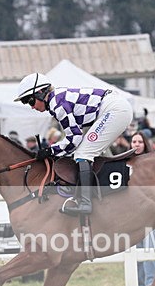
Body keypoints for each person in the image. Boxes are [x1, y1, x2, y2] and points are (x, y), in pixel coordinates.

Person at [14, 72, 133, 215]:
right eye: (26, 103)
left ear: (40, 92)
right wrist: (53, 149)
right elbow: (73, 138)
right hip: (111, 108)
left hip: (114, 109)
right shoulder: (56, 100)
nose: (31, 107)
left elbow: (74, 138)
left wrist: (50, 150)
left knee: (84, 153)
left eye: (30, 101)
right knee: (84, 151)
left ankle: (85, 203)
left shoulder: (57, 104)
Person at [130, 131, 155, 286]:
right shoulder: (126, 163)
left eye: (139, 141)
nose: (137, 144)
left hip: (148, 212)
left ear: (145, 143)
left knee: (149, 249)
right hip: (132, 213)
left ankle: (150, 284)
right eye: (134, 142)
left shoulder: (152, 163)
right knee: (135, 250)